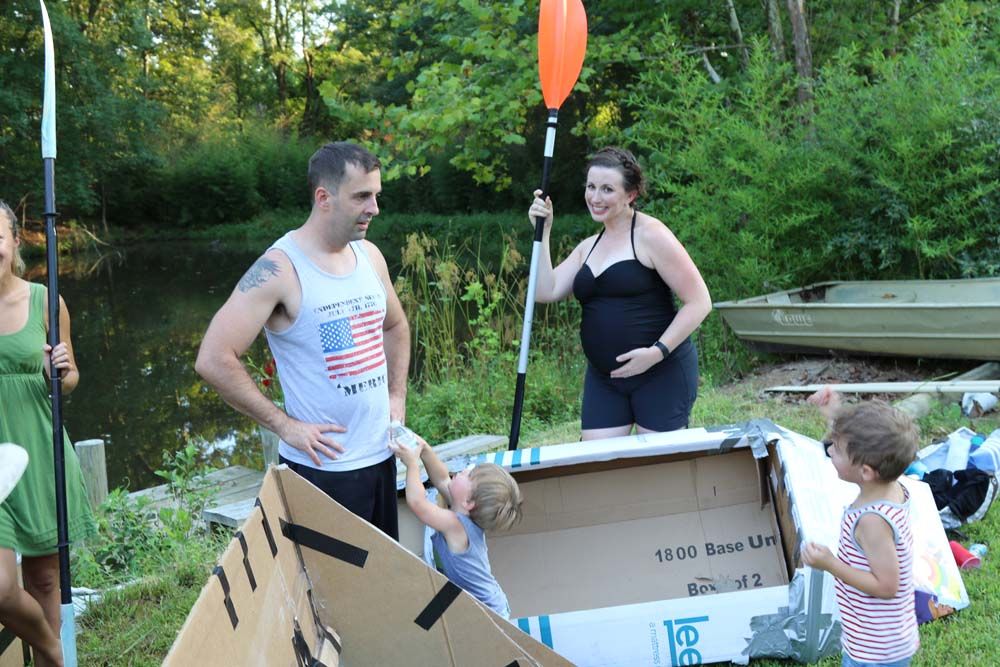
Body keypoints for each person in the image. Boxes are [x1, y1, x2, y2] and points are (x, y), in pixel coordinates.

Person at [195, 142, 410, 539]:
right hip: (322, 473)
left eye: (376, 195)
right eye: (362, 196)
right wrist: (284, 425)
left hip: (382, 458)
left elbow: (395, 326)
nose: (374, 208)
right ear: (323, 197)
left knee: (380, 591)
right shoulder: (279, 268)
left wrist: (397, 396)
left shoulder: (370, 256)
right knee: (331, 595)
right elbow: (212, 358)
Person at [527, 147, 712, 440]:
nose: (595, 198)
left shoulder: (651, 235)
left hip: (660, 372)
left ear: (631, 194)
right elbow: (544, 290)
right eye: (591, 187)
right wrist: (544, 232)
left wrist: (656, 352)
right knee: (598, 468)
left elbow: (700, 301)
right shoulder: (588, 247)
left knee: (657, 469)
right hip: (605, 380)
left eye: (607, 189)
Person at [0, 200, 95, 667]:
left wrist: (58, 370)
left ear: (15, 241)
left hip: (36, 450)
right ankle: (56, 653)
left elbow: (71, 378)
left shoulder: (45, 299)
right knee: (1, 588)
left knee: (43, 583)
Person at [801, 386, 920, 667]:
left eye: (836, 449)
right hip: (882, 636)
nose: (829, 450)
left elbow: (887, 585)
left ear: (866, 472)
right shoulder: (890, 487)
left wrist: (831, 564)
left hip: (876, 650)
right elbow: (860, 446)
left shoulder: (872, 521)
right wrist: (834, 414)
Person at [391, 436, 522, 618]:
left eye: (468, 475)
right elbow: (442, 478)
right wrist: (425, 449)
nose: (462, 470)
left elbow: (417, 503)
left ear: (469, 501)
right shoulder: (463, 510)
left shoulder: (456, 526)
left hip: (489, 612)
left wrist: (412, 464)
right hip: (489, 602)